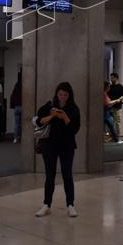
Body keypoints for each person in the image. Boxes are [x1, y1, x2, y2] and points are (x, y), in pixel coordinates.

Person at [35, 82, 81, 217]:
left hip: (67, 146)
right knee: (50, 175)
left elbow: (74, 129)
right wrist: (53, 115)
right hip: (49, 145)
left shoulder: (73, 109)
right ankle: (46, 204)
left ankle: (70, 205)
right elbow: (39, 121)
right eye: (60, 94)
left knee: (67, 175)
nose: (62, 97)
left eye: (65, 95)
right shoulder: (49, 106)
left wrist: (64, 116)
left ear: (69, 95)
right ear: (56, 94)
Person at [108, 72, 123, 138]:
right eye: (111, 78)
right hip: (109, 107)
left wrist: (119, 99)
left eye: (112, 78)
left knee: (117, 122)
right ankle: (111, 136)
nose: (111, 79)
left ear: (116, 78)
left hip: (117, 107)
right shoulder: (109, 86)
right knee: (110, 123)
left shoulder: (120, 86)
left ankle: (118, 136)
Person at [10, 71, 23, 143]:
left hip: (16, 107)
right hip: (23, 106)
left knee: (16, 123)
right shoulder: (24, 85)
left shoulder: (16, 85)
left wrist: (12, 105)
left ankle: (15, 138)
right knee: (23, 123)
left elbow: (12, 96)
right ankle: (21, 136)